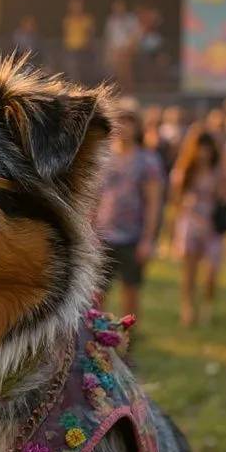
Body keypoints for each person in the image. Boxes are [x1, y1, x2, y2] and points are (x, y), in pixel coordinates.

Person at [95, 109, 164, 318]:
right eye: (120, 122)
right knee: (97, 292)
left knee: (130, 289)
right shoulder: (103, 157)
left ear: (138, 127)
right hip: (103, 235)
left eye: (129, 122)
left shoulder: (148, 161)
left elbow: (154, 203)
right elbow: (93, 197)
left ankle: (127, 339)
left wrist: (148, 239)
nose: (124, 127)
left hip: (133, 235)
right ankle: (96, 340)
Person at [169, 129, 226, 326]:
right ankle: (188, 308)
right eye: (200, 149)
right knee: (190, 271)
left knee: (212, 272)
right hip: (190, 223)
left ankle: (207, 305)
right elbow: (176, 200)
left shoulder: (218, 171)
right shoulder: (185, 170)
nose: (204, 153)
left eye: (208, 149)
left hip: (211, 224)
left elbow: (224, 197)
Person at [102, 0, 139, 95]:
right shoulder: (111, 20)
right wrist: (110, 51)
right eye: (116, 7)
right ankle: (119, 94)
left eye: (120, 6)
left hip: (127, 50)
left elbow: (135, 35)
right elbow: (109, 37)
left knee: (126, 72)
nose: (118, 9)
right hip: (116, 51)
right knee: (116, 73)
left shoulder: (131, 19)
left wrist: (128, 48)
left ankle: (129, 92)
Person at [61, 0, 94, 84]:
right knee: (73, 71)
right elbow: (65, 34)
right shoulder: (67, 20)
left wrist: (88, 45)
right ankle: (76, 89)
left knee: (84, 71)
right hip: (71, 49)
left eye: (78, 5)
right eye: (74, 6)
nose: (77, 8)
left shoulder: (87, 19)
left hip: (84, 49)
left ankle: (85, 88)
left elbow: (90, 34)